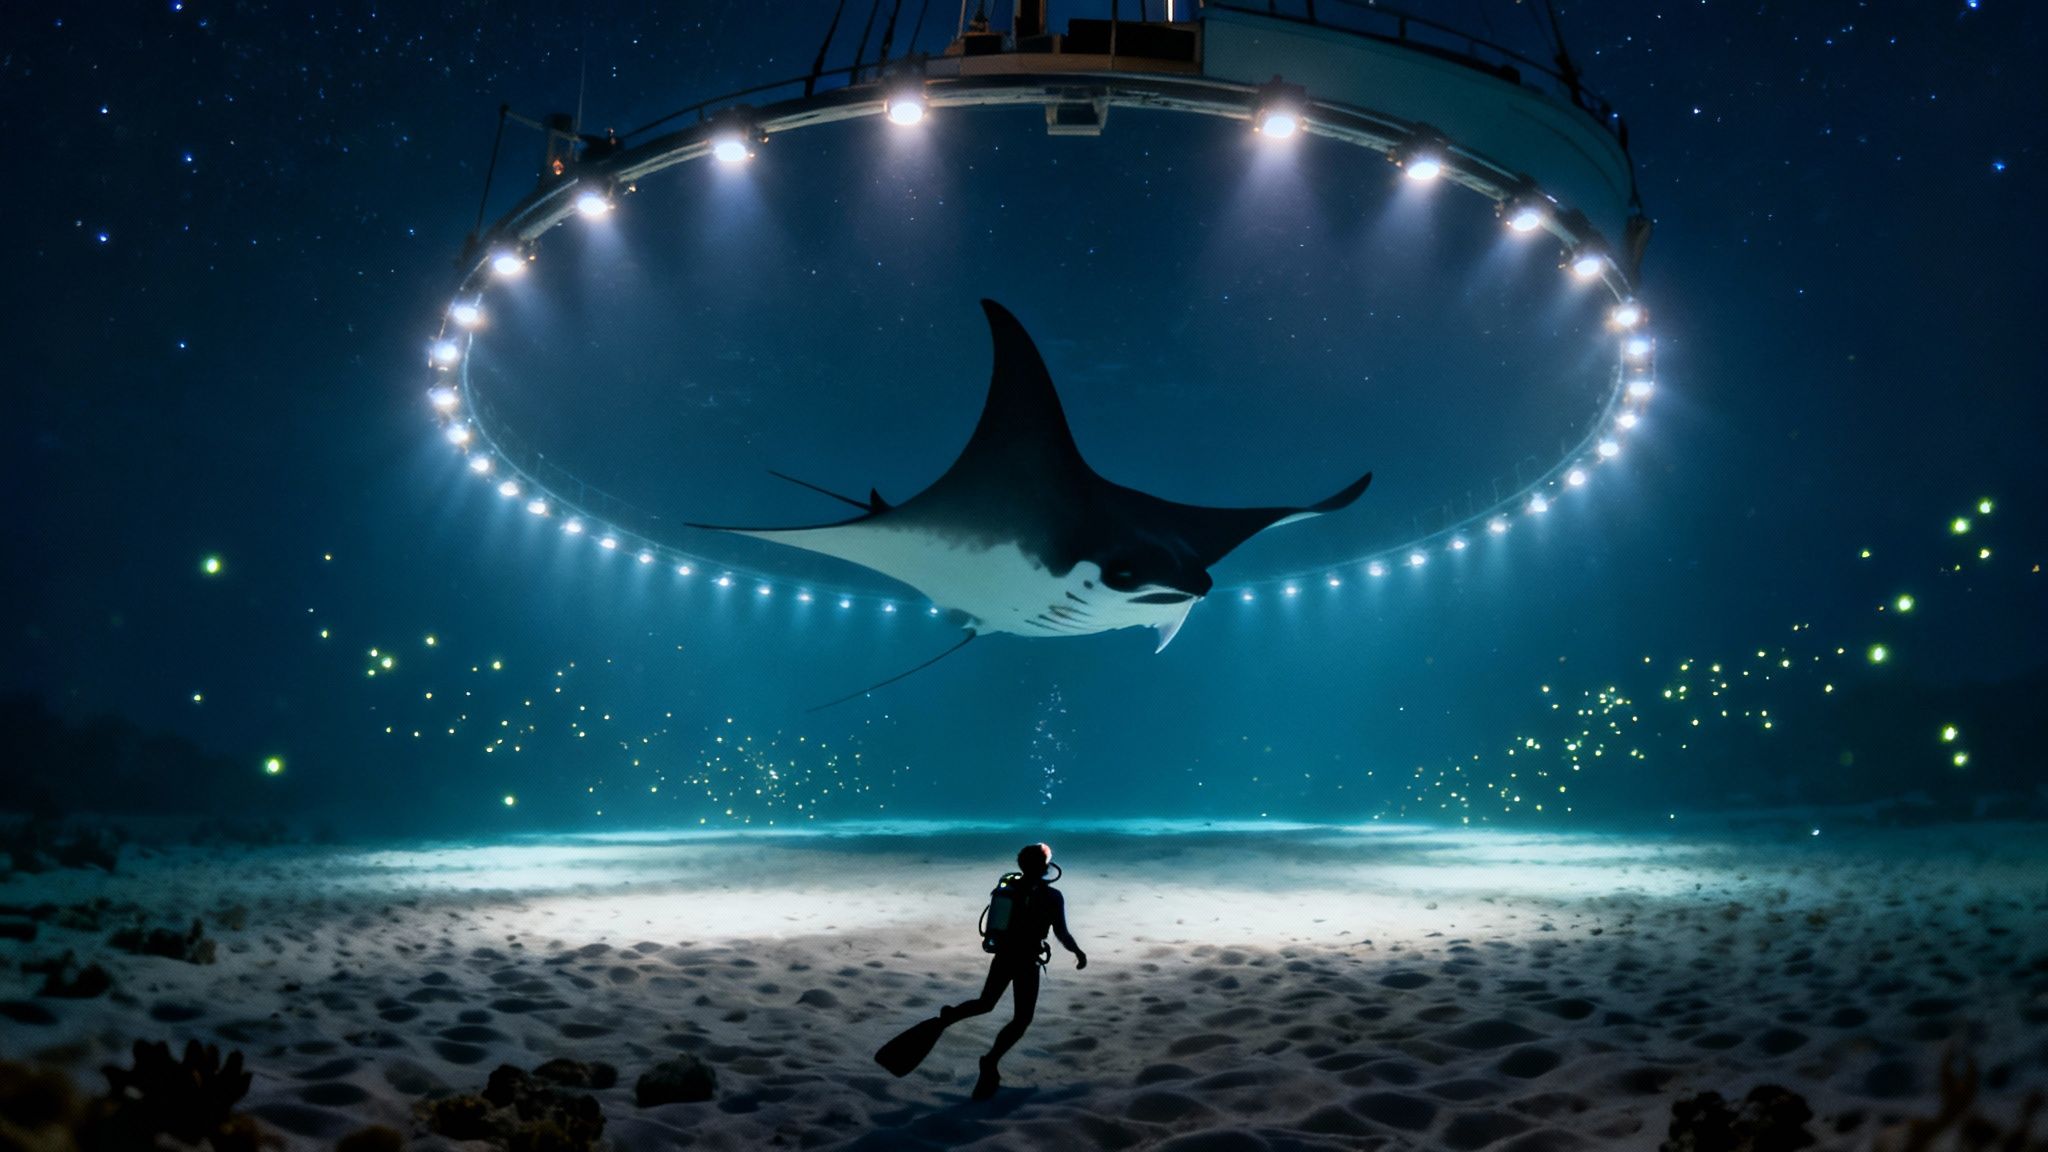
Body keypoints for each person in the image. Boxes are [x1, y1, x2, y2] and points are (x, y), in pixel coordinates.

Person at [946, 842, 1086, 1099]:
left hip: (1003, 956)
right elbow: (1061, 932)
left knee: (985, 1003)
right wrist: (1077, 952)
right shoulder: (1052, 896)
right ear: (1045, 866)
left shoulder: (1007, 889)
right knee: (1022, 1019)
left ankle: (950, 1016)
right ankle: (991, 1060)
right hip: (1027, 960)